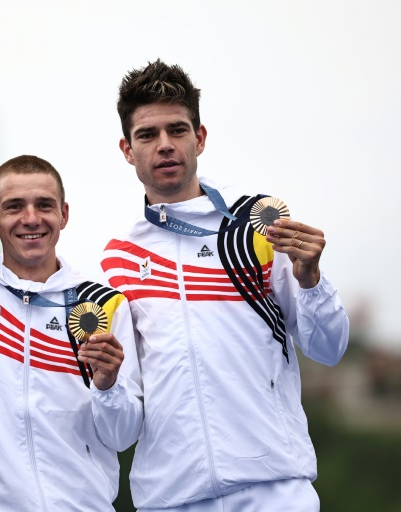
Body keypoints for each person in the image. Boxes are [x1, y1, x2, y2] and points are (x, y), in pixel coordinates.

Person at [101, 60, 350, 511]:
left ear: (199, 137)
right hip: (170, 498)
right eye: (147, 135)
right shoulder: (117, 258)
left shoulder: (257, 224)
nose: (164, 146)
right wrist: (104, 385)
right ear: (126, 148)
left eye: (177, 130)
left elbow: (330, 348)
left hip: (273, 490)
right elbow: (125, 414)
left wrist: (311, 281)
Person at [0, 155, 143, 511]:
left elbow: (123, 436)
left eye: (44, 205)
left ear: (64, 214)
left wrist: (108, 386)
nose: (31, 219)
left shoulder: (104, 305)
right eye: (14, 207)